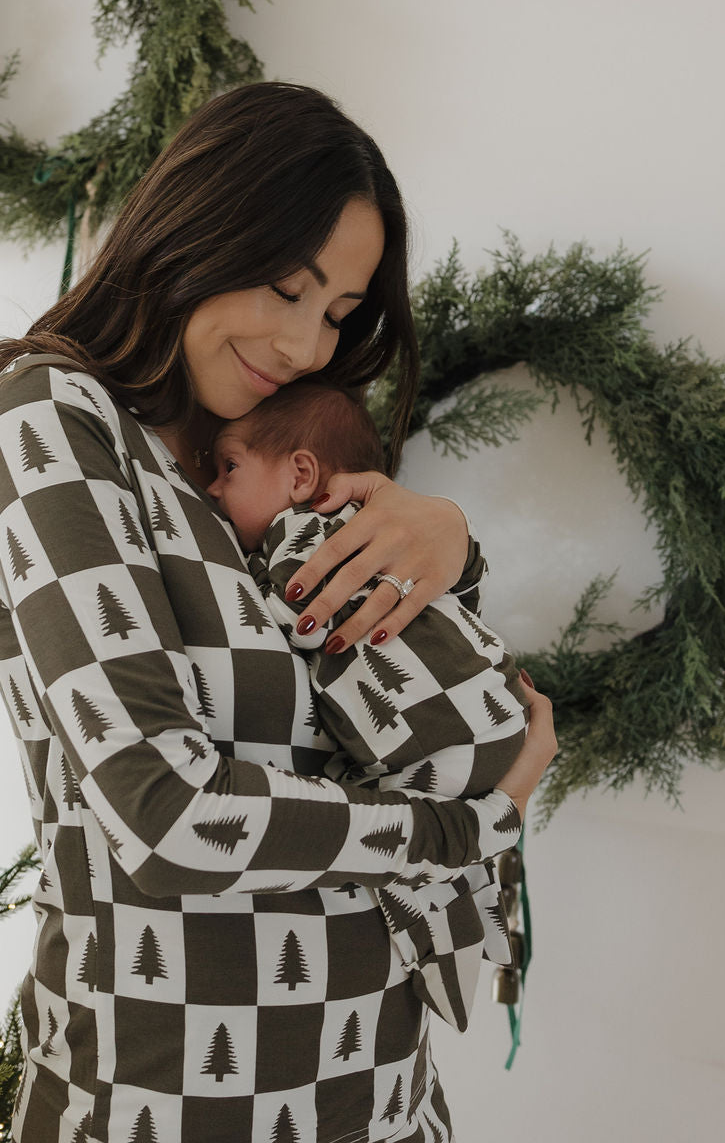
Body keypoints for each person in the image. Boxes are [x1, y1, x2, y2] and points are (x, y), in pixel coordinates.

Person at [0, 81, 557, 1143]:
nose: (306, 345)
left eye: (338, 315)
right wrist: (473, 829)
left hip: (383, 1094)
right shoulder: (53, 416)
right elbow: (163, 812)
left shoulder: (273, 471)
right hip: (160, 1099)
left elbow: (404, 704)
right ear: (201, 228)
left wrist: (449, 542)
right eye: (287, 288)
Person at [205, 379, 531, 1032]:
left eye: (229, 467)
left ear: (301, 474)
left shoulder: (297, 543)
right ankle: (499, 952)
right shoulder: (391, 537)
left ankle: (459, 972)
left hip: (439, 740)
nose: (212, 488)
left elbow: (271, 633)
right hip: (494, 707)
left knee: (421, 876)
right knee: (477, 873)